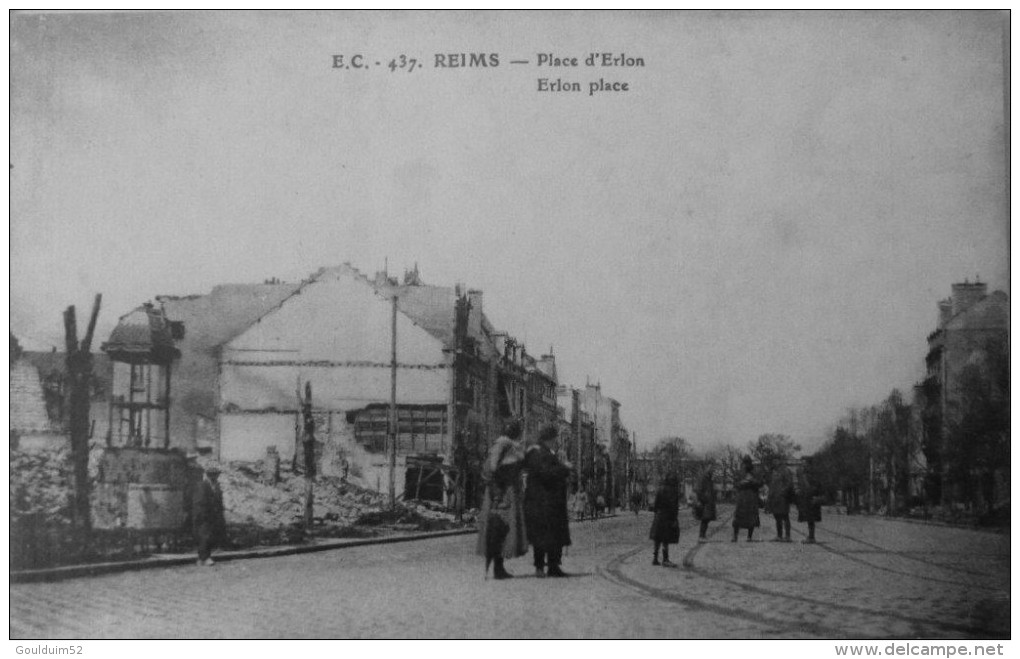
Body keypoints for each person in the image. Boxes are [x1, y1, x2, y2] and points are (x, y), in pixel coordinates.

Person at [476, 419, 528, 579]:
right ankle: (498, 568)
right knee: (501, 527)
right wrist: (499, 487)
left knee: (501, 528)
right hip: (502, 491)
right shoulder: (504, 443)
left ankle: (499, 567)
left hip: (504, 490)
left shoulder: (509, 444)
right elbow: (493, 466)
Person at [524, 424, 572, 578]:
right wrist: (564, 468)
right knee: (547, 536)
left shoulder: (539, 452)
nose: (556, 442)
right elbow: (546, 474)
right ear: (548, 439)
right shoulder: (540, 453)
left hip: (543, 503)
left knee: (546, 536)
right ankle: (546, 567)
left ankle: (548, 566)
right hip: (545, 503)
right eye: (554, 439)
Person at [193, 465, 227, 566]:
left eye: (216, 475)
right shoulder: (202, 485)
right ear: (208, 475)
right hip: (204, 516)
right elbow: (199, 502)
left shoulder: (217, 486)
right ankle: (204, 558)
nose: (214, 477)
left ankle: (203, 558)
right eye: (212, 475)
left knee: (210, 537)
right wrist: (201, 515)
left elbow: (219, 502)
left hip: (214, 516)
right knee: (204, 537)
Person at [649, 474, 680, 567]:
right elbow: (674, 506)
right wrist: (674, 519)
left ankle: (655, 558)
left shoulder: (660, 489)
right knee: (665, 538)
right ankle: (665, 559)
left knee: (657, 537)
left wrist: (656, 513)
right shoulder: (674, 491)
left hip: (659, 516)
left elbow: (655, 504)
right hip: (668, 517)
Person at [732, 456, 762, 542]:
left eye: (748, 462)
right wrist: (742, 482)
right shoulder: (739, 473)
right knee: (738, 517)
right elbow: (735, 484)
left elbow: (760, 483)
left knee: (752, 517)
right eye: (745, 462)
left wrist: (752, 481)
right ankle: (735, 536)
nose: (746, 464)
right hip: (742, 497)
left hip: (752, 497)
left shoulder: (755, 473)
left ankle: (749, 537)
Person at [796, 457, 823, 543]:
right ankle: (810, 536)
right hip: (805, 498)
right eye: (802, 463)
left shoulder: (813, 474)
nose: (803, 465)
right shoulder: (802, 474)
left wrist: (815, 495)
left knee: (811, 518)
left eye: (805, 463)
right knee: (808, 518)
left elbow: (818, 485)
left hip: (812, 498)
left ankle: (812, 537)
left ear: (809, 464)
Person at [767, 464, 796, 542]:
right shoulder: (773, 472)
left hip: (782, 497)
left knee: (785, 516)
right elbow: (771, 485)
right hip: (774, 497)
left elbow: (789, 483)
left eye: (776, 460)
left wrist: (783, 492)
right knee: (777, 516)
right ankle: (779, 535)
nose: (774, 462)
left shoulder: (785, 471)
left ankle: (787, 536)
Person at [694, 465, 717, 542]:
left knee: (707, 519)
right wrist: (704, 499)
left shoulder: (709, 479)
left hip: (709, 503)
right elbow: (699, 490)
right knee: (705, 519)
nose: (713, 472)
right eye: (712, 470)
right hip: (705, 503)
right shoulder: (704, 479)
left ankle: (703, 535)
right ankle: (701, 536)